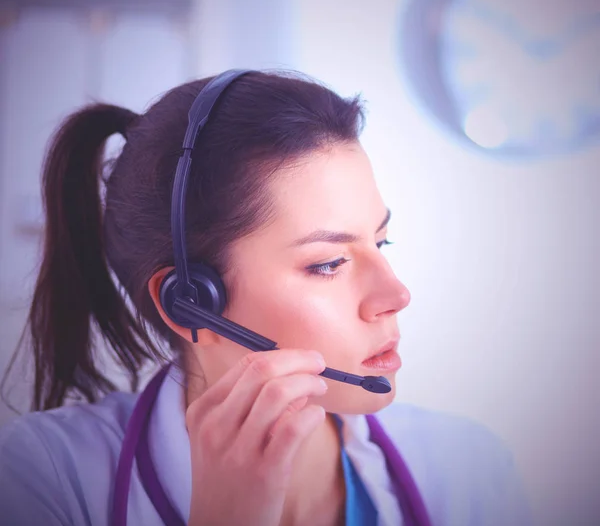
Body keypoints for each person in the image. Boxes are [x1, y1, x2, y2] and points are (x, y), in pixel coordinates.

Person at [0, 70, 531, 526]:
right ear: (190, 302)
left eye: (381, 241)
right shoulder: (43, 478)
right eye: (328, 264)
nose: (396, 295)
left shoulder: (471, 472)